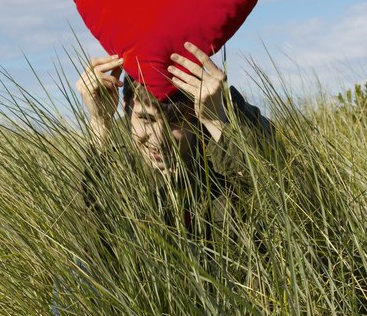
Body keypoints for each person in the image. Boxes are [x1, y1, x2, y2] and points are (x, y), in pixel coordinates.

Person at [76, 41, 272, 232]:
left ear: (197, 116)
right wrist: (100, 123)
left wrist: (217, 119)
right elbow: (93, 241)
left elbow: (272, 206)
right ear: (126, 108)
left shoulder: (230, 125)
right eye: (146, 119)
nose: (159, 139)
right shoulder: (117, 159)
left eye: (176, 121)